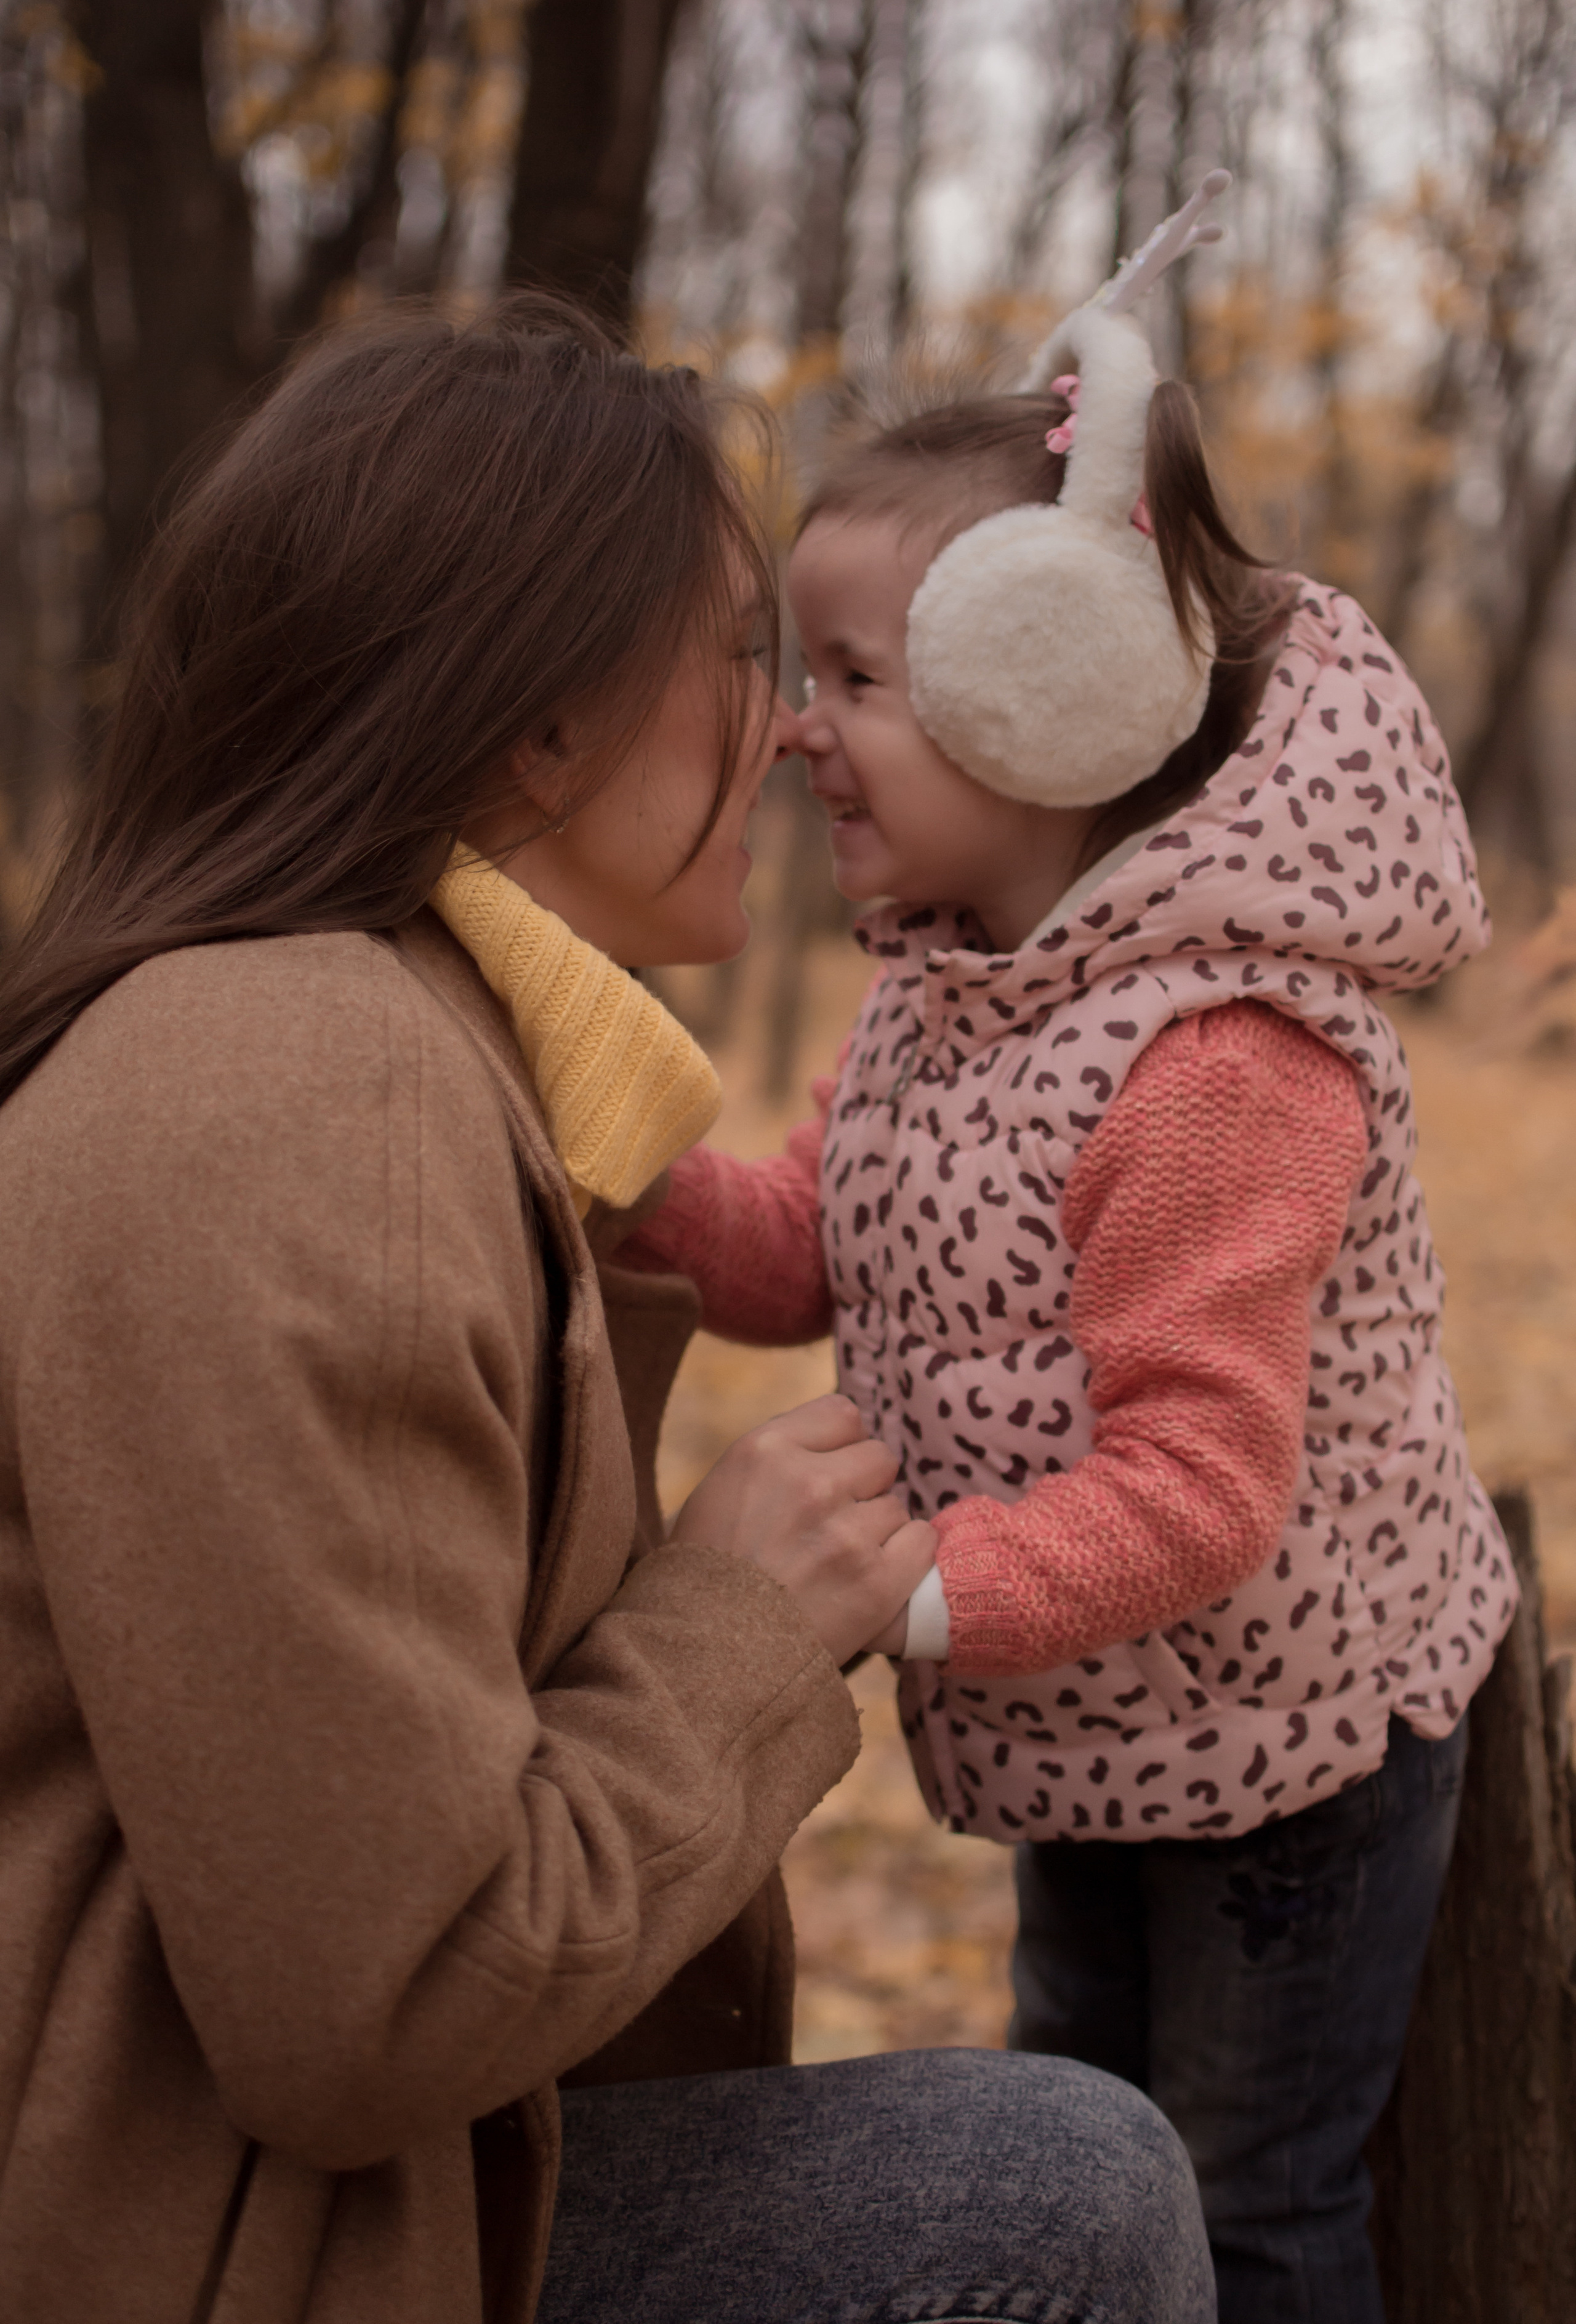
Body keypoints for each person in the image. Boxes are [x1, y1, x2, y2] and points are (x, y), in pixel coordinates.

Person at [0, 297, 1216, 2324]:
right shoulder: (309, 1091)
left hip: (206, 2187)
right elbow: (377, 2001)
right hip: (187, 2247)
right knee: (1060, 2187)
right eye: (746, 655)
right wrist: (742, 1619)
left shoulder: (371, 1052)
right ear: (533, 723)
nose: (796, 726)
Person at [621, 236, 1516, 2323]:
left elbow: (1206, 1490)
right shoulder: (952, 996)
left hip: (1290, 1751)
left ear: (1057, 696)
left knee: (1248, 2205)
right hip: (1095, 1719)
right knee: (1075, 2151)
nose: (788, 738)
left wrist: (910, 1597)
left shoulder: (1219, 1063)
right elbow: (799, 1246)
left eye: (850, 682)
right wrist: (624, 1176)